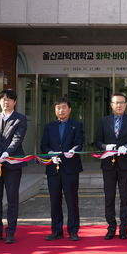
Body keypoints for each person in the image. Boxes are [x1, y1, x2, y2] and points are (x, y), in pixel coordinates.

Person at [0, 88, 27, 243]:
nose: (5, 102)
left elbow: (17, 139)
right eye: (3, 99)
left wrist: (8, 152)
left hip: (12, 164)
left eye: (9, 99)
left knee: (12, 198)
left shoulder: (20, 119)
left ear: (14, 102)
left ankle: (10, 231)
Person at [97, 92, 127, 240]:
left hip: (125, 164)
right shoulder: (103, 121)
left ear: (125, 104)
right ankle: (111, 227)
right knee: (109, 197)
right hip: (108, 164)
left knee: (124, 197)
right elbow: (97, 141)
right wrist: (105, 146)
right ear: (111, 105)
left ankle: (123, 228)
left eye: (122, 102)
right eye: (116, 102)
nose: (119, 105)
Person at [41, 97, 84, 242]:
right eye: (58, 108)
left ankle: (73, 231)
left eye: (64, 107)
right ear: (55, 110)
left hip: (70, 168)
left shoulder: (76, 125)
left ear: (70, 109)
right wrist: (50, 154)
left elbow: (80, 143)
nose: (61, 110)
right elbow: (44, 145)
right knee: (54, 201)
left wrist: (73, 150)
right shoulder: (49, 126)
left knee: (72, 201)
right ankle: (56, 230)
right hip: (53, 168)